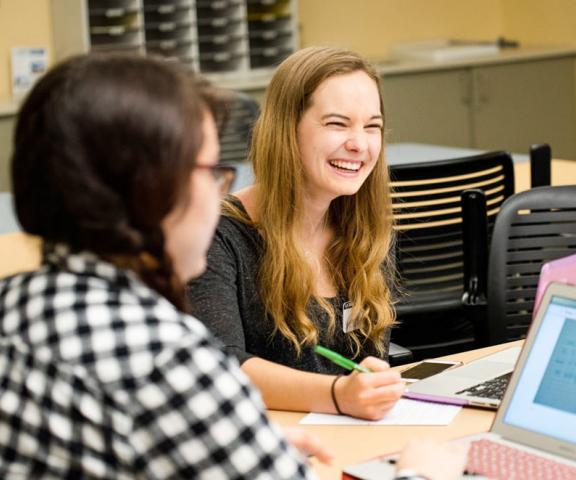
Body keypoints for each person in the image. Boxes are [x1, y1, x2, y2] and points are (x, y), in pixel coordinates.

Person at [0, 52, 468, 479]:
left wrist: (220, 438)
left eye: (373, 126)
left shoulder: (14, 306)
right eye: (209, 172)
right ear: (149, 192)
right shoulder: (170, 359)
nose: (219, 192)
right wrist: (420, 474)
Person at [187, 46, 405, 420]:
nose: (359, 143)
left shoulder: (365, 229)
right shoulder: (219, 236)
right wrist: (339, 395)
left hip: (354, 434)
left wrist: (372, 387)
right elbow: (220, 366)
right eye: (337, 123)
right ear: (286, 130)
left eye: (372, 126)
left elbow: (371, 358)